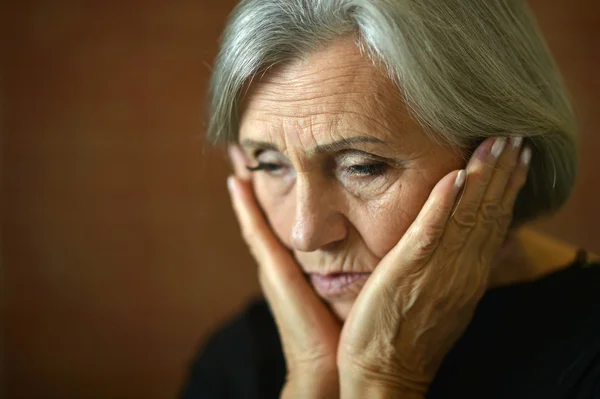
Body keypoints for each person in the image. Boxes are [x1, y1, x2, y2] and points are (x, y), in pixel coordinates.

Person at [182, 0, 600, 397]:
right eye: (272, 165)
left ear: (497, 152)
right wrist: (311, 379)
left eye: (362, 167)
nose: (304, 234)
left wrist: (381, 378)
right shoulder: (234, 361)